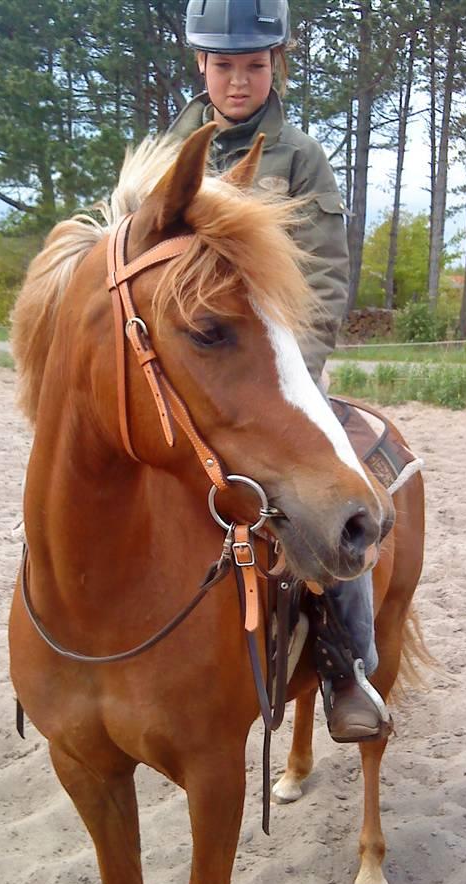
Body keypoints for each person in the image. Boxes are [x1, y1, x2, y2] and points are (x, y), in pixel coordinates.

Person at [170, 0, 392, 744]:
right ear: (200, 63)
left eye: (255, 66)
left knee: (340, 488)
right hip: (183, 361)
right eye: (225, 66)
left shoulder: (299, 157)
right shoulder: (168, 150)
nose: (239, 81)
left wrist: (290, 374)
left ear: (277, 66)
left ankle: (343, 667)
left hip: (277, 363)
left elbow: (326, 277)